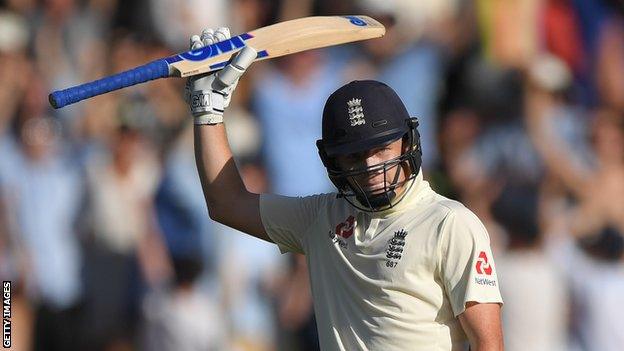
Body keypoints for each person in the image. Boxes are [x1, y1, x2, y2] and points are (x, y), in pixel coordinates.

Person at [187, 27, 504, 350]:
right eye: (354, 156)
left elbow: (488, 344)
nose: (369, 166)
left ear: (407, 143)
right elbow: (225, 203)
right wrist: (208, 114)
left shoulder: (450, 223)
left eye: (381, 148)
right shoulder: (321, 218)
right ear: (334, 161)